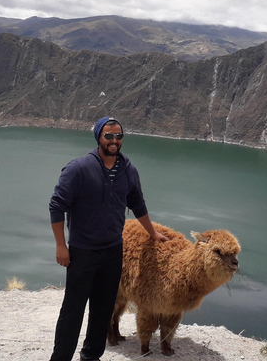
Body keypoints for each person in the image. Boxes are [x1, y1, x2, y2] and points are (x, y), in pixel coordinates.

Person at [48, 116, 168, 361]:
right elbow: (57, 206)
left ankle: (90, 356)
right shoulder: (78, 169)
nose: (114, 141)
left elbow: (137, 203)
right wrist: (61, 246)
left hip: (113, 251)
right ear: (98, 138)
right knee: (73, 310)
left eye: (118, 136)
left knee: (103, 310)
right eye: (109, 136)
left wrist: (152, 232)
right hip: (82, 251)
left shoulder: (128, 169)